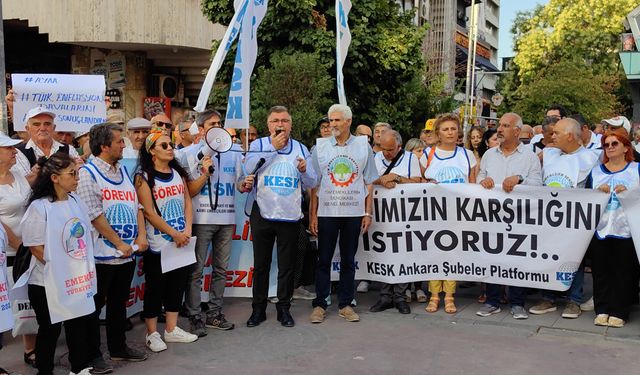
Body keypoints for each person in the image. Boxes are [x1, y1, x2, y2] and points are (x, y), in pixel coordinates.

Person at [77, 123, 149, 371]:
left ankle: (119, 348)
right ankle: (93, 355)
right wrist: (118, 242)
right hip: (101, 256)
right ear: (105, 146)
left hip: (126, 254)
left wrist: (140, 236)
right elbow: (94, 215)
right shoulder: (88, 173)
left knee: (119, 305)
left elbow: (136, 205)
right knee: (94, 309)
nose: (123, 145)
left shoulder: (122, 171)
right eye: (119, 141)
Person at [21, 152, 96, 375]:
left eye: (77, 173)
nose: (77, 178)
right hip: (46, 281)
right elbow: (35, 247)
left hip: (74, 278)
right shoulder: (39, 207)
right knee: (50, 329)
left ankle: (79, 367)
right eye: (72, 174)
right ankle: (45, 371)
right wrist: (63, 268)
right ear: (54, 178)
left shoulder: (76, 200)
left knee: (77, 324)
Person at [242, 106, 317, 328]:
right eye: (275, 120)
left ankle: (284, 308)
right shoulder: (259, 145)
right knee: (261, 264)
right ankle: (258, 310)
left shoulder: (301, 148)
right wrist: (272, 149)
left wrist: (304, 170)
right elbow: (247, 168)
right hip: (262, 212)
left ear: (291, 124)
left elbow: (312, 182)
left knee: (287, 265)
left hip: (289, 214)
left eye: (284, 120)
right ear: (269, 125)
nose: (280, 124)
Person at [309, 104, 377, 324]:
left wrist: (368, 213)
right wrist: (312, 215)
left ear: (348, 121)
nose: (333, 124)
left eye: (338, 120)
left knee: (349, 259)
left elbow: (369, 182)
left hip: (353, 212)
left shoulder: (362, 146)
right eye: (331, 120)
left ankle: (346, 304)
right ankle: (320, 304)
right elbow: (314, 185)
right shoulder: (319, 148)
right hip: (327, 211)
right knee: (323, 260)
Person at [178, 109, 243, 336]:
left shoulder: (233, 151)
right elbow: (189, 191)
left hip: (226, 219)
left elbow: (240, 182)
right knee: (196, 270)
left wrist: (245, 184)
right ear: (202, 128)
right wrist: (203, 171)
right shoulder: (187, 154)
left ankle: (214, 313)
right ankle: (195, 315)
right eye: (212, 123)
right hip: (201, 220)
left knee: (221, 269)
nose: (218, 126)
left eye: (219, 123)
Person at [134, 130, 198, 352]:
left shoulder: (177, 173)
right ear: (151, 151)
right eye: (163, 146)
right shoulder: (144, 177)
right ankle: (152, 333)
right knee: (155, 288)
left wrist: (187, 229)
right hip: (159, 244)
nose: (170, 148)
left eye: (170, 144)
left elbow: (187, 201)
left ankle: (171, 329)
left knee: (177, 285)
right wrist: (174, 233)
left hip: (181, 241)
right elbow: (149, 213)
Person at [530, 118, 600, 319]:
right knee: (547, 256)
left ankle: (574, 300)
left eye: (557, 133)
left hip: (575, 219)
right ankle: (547, 297)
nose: (552, 137)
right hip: (547, 217)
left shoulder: (592, 157)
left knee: (574, 259)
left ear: (570, 135)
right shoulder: (549, 154)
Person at [476, 113, 542, 320]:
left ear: (517, 131)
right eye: (499, 126)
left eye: (505, 126)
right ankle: (492, 301)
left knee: (517, 259)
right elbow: (480, 176)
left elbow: (538, 184)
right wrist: (483, 182)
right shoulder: (489, 155)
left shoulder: (529, 157)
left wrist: (520, 179)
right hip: (492, 216)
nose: (500, 130)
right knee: (492, 257)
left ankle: (517, 303)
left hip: (519, 218)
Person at [420, 114, 478, 314]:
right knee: (434, 254)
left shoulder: (467, 155)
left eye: (453, 128)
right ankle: (434, 295)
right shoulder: (427, 154)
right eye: (445, 129)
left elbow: (472, 183)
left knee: (453, 255)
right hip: (433, 213)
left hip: (458, 214)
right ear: (438, 133)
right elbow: (419, 182)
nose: (450, 132)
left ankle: (450, 296)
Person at [586, 132, 640, 328]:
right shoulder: (596, 172)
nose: (609, 147)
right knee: (601, 271)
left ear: (626, 147)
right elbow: (586, 199)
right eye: (606, 144)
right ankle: (602, 309)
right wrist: (596, 193)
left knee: (623, 272)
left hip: (627, 229)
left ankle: (619, 311)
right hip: (601, 229)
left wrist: (630, 193)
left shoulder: (636, 169)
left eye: (614, 143)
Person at [369, 130, 421, 314]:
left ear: (399, 146)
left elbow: (418, 182)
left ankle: (400, 297)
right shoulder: (375, 157)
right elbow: (367, 179)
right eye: (384, 149)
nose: (386, 153)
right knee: (384, 255)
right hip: (382, 216)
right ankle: (385, 296)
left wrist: (397, 178)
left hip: (405, 216)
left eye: (390, 150)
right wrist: (382, 180)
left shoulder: (410, 159)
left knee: (403, 255)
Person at [0, 132, 36, 368]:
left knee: (26, 300)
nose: (15, 152)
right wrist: (13, 240)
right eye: (9, 149)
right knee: (5, 305)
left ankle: (30, 349)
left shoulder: (18, 176)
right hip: (7, 253)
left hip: (27, 249)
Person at [13, 107, 81, 184]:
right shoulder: (18, 153)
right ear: (27, 129)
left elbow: (78, 178)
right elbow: (23, 184)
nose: (42, 128)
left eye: (47, 124)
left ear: (54, 127)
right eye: (36, 124)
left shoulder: (69, 149)